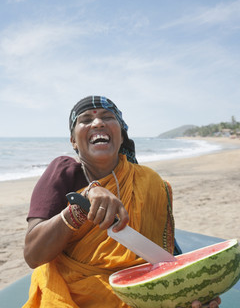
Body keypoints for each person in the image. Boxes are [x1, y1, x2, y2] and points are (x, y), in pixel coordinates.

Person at [23, 96, 221, 308]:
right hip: (68, 298)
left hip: (142, 297)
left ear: (121, 133)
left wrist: (190, 290)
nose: (98, 123)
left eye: (108, 117)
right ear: (73, 140)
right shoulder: (64, 172)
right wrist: (79, 209)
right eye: (86, 119)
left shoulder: (150, 182)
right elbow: (33, 255)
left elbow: (163, 253)